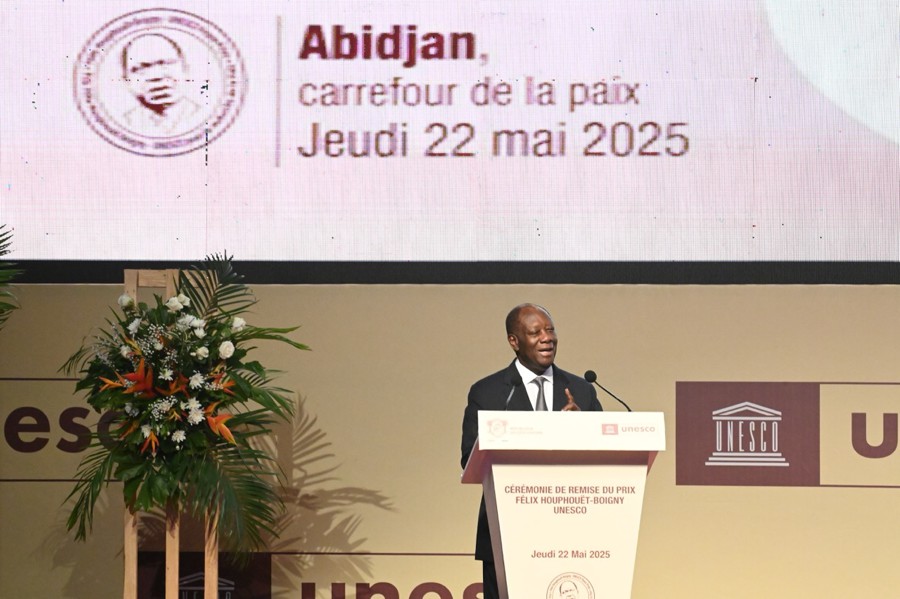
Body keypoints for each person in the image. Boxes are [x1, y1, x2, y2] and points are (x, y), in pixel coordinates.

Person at [460, 303, 601, 599]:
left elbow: (604, 454)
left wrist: (583, 429)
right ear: (514, 341)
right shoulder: (488, 392)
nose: (546, 338)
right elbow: (468, 460)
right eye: (535, 332)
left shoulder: (582, 390)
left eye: (550, 330)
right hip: (506, 534)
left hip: (572, 533)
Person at [120, 33, 201, 135]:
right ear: (126, 81)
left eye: (165, 63)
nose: (156, 75)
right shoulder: (123, 123)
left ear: (186, 69)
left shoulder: (205, 116)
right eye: (140, 68)